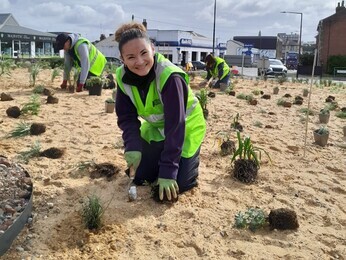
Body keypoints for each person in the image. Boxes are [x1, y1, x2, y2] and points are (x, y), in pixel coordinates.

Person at [114, 22, 206, 201]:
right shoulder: (121, 77)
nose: (139, 62)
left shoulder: (170, 76)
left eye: (143, 53)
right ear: (122, 58)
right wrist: (132, 145)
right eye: (131, 57)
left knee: (178, 184)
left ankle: (189, 163)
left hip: (186, 128)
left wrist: (168, 170)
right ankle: (159, 156)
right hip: (157, 128)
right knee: (140, 177)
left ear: (153, 49)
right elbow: (126, 117)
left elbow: (175, 125)